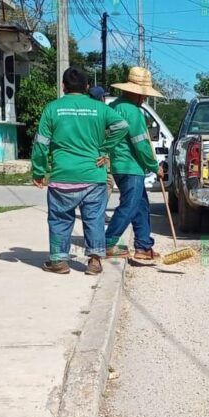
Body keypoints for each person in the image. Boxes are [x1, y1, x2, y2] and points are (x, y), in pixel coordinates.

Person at [32, 67, 129, 276]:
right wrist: (105, 148)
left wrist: (39, 171)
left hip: (62, 176)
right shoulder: (99, 108)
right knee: (93, 217)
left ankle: (58, 260)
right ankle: (94, 261)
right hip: (94, 175)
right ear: (86, 87)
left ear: (63, 86)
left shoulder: (52, 109)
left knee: (60, 218)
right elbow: (122, 125)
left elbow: (41, 144)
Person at [104, 67, 163, 264]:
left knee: (140, 205)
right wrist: (155, 167)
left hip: (119, 165)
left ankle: (143, 246)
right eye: (143, 95)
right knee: (129, 206)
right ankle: (108, 241)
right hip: (130, 166)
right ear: (135, 92)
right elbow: (141, 144)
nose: (144, 99)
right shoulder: (133, 112)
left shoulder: (115, 106)